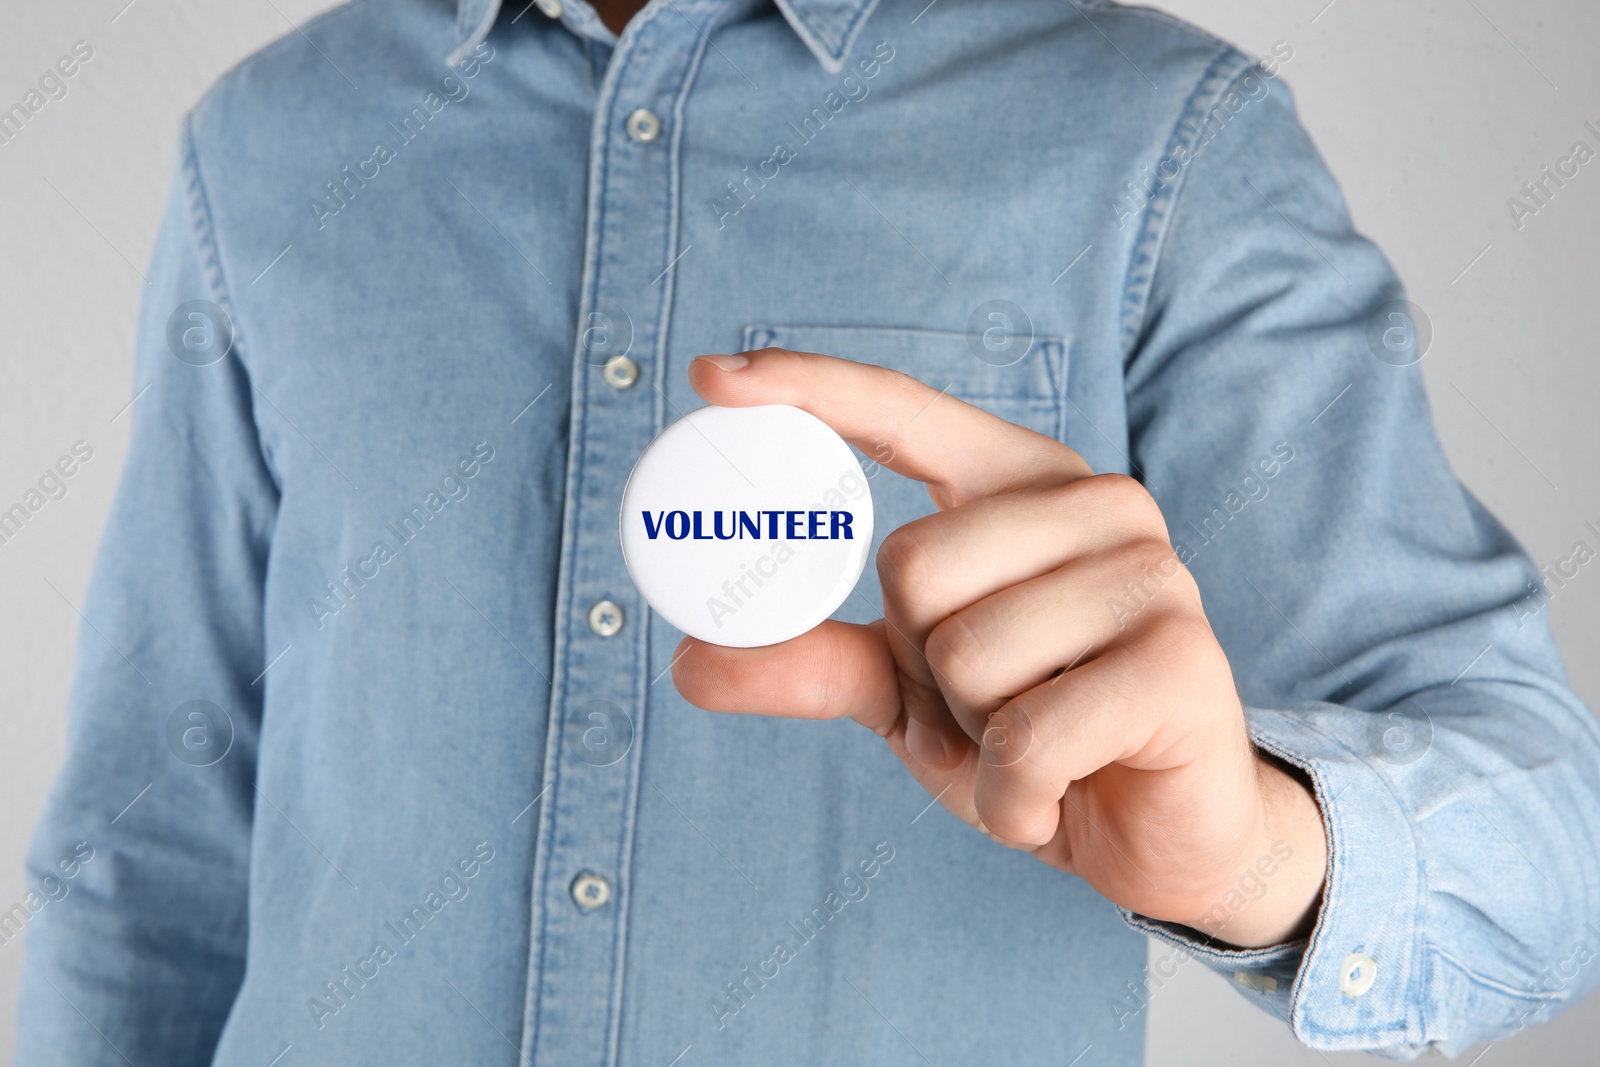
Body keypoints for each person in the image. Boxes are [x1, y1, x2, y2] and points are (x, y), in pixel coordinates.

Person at [17, 0, 1600, 1062]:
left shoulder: (1161, 141)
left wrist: (1259, 847)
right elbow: (150, 855)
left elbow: (1554, 859)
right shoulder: (272, 140)